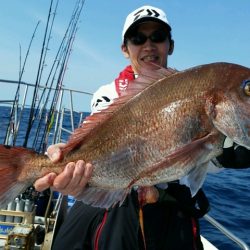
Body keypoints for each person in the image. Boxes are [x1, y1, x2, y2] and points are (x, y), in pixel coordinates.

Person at [34, 5, 250, 250]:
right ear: (125, 49)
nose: (149, 45)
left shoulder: (190, 91)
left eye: (158, 37)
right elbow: (97, 142)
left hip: (168, 197)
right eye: (138, 38)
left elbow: (200, 161)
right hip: (118, 193)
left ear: (171, 45)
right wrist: (65, 159)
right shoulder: (108, 94)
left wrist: (224, 156)